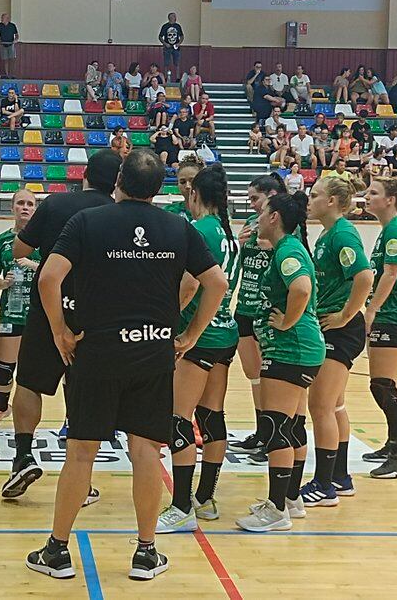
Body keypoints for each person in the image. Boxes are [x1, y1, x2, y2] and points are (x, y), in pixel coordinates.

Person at [25, 149, 226, 580]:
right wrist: (189, 337)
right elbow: (217, 281)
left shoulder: (87, 222)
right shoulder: (178, 227)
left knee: (81, 453)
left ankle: (57, 551)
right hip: (153, 353)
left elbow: (47, 277)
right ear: (161, 188)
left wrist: (60, 330)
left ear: (119, 179)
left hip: (97, 353)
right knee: (146, 453)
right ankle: (146, 552)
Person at [0, 150, 122, 501]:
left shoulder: (54, 204)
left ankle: (22, 456)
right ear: (117, 181)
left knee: (29, 382)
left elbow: (19, 248)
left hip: (49, 306)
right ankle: (79, 478)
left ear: (83, 175)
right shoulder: (117, 215)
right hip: (95, 314)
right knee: (83, 389)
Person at [155, 162, 239, 533]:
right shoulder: (227, 231)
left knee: (178, 419)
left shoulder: (201, 228)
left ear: (195, 194)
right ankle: (205, 499)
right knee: (211, 416)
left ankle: (180, 505)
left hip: (199, 335)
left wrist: (172, 321)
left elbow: (192, 285)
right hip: (224, 333)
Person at [234, 190, 325, 533]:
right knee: (289, 426)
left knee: (274, 427)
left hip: (291, 350)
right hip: (300, 350)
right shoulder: (286, 248)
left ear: (274, 218)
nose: (257, 216)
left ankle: (276, 511)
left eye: (263, 211)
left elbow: (300, 288)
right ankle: (290, 499)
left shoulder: (288, 250)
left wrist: (286, 321)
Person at [300, 177, 373, 505]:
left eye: (315, 195)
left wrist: (345, 315)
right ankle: (341, 477)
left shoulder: (341, 233)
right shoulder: (328, 234)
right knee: (336, 403)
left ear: (331, 201)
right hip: (332, 325)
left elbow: (365, 277)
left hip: (340, 330)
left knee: (320, 405)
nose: (309, 200)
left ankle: (324, 485)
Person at [227, 174, 287, 461]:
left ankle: (273, 436)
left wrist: (271, 247)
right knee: (254, 376)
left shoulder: (287, 228)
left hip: (267, 310)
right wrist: (238, 243)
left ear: (272, 195)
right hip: (245, 306)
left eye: (255, 199)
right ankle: (261, 432)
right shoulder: (251, 225)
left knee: (269, 376)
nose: (251, 205)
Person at [362, 177, 397, 479]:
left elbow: (392, 273)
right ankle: (396, 443)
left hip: (393, 315)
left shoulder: (396, 230)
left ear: (391, 200)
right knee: (390, 382)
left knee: (381, 383)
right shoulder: (389, 230)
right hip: (392, 314)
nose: (367, 196)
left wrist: (371, 310)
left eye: (373, 193)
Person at [0, 189, 40, 431]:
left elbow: (55, 270)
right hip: (11, 311)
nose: (25, 208)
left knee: (34, 372)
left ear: (36, 209)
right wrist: (2, 283)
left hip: (39, 314)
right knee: (4, 369)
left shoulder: (45, 240)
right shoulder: (1, 242)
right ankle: (2, 407)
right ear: (12, 208)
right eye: (20, 203)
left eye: (30, 204)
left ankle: (32, 420)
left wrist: (32, 264)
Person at [164, 155, 203, 221]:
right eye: (182, 182)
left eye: (192, 181)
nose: (187, 186)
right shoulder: (169, 212)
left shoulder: (213, 213)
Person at [158, 13, 184, 81]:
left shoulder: (178, 26)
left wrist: (179, 43)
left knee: (177, 63)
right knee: (166, 63)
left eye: (174, 16)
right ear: (169, 17)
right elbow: (160, 36)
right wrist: (165, 43)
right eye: (173, 16)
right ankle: (166, 78)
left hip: (176, 47)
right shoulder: (165, 26)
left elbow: (182, 36)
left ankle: (177, 78)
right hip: (167, 47)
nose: (174, 18)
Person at [0, 13, 19, 78]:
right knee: (5, 60)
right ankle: (7, 75)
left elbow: (17, 35)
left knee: (12, 59)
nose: (1, 19)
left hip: (10, 44)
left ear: (7, 19)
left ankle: (12, 74)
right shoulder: (0, 25)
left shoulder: (12, 26)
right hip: (3, 44)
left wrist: (15, 40)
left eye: (3, 18)